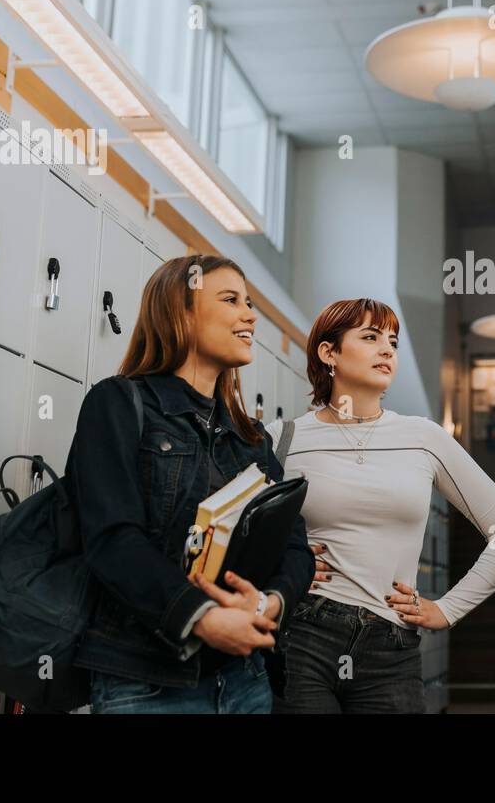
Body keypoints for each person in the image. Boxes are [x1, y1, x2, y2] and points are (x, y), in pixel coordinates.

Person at [68, 254, 314, 713]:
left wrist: (266, 604)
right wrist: (201, 616)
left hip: (244, 682)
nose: (250, 315)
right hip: (145, 683)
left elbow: (297, 550)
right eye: (230, 300)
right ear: (180, 312)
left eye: (250, 303)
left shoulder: (251, 438)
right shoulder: (118, 404)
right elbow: (111, 539)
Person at [273, 298, 495, 713]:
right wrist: (282, 563)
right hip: (303, 636)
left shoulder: (423, 437)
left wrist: (448, 609)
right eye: (371, 337)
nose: (388, 349)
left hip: (390, 648)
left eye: (392, 341)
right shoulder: (281, 439)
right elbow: (229, 531)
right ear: (328, 352)